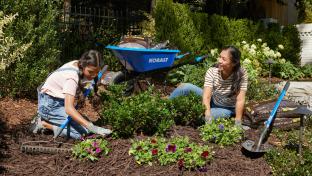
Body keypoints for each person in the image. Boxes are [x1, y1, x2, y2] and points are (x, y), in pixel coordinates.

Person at [30, 50, 112, 139]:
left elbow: (83, 81)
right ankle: (43, 124)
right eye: (91, 72)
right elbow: (69, 108)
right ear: (83, 65)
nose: (93, 75)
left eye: (96, 72)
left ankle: (52, 120)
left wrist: (89, 125)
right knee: (81, 134)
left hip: (58, 101)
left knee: (86, 125)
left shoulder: (79, 64)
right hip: (50, 105)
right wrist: (91, 127)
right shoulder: (72, 77)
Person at [169, 45, 248, 127]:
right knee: (185, 87)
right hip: (212, 100)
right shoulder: (212, 71)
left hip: (226, 108)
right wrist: (207, 114)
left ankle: (179, 118)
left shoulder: (241, 74)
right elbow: (206, 96)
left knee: (199, 117)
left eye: (224, 59)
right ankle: (163, 108)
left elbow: (240, 100)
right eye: (219, 57)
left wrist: (238, 122)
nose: (219, 61)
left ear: (234, 63)